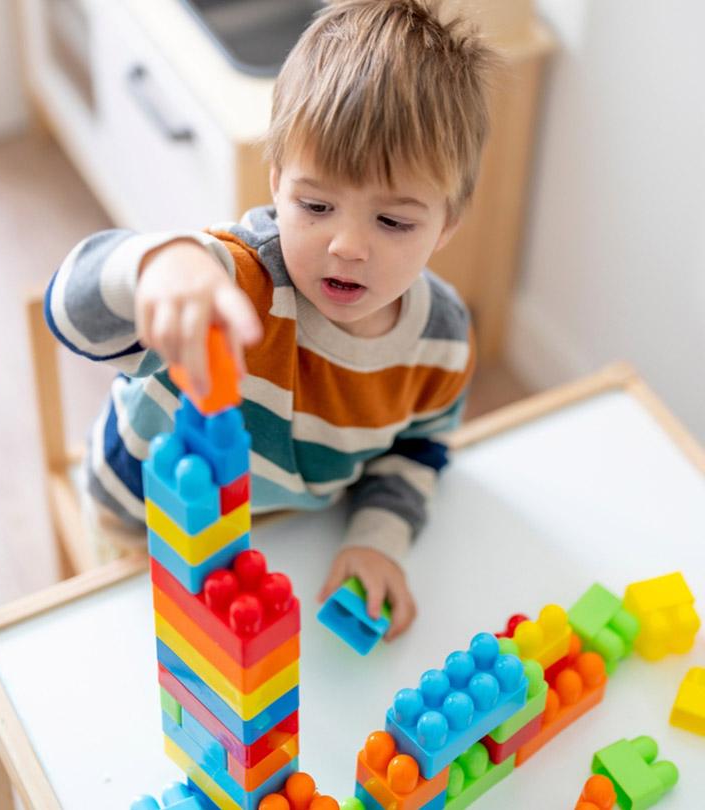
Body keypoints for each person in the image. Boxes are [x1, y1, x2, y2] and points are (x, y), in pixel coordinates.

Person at [45, 0, 495, 640]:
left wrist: (378, 536)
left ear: (447, 224)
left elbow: (418, 450)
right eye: (315, 205)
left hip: (283, 536)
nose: (347, 245)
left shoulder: (441, 342)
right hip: (144, 523)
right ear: (278, 182)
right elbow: (71, 309)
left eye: (393, 222)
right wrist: (158, 266)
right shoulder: (230, 281)